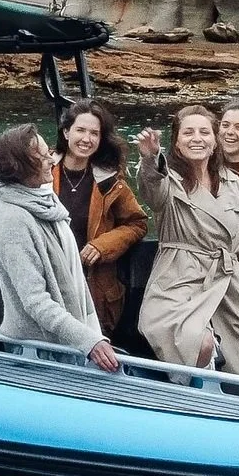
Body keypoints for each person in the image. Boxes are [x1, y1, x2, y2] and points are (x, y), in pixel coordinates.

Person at [134, 106, 239, 376]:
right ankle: (192, 398)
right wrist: (151, 159)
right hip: (179, 280)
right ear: (176, 142)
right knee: (196, 341)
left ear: (215, 141)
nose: (197, 138)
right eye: (188, 132)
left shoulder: (232, 182)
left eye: (204, 132)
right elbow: (152, 191)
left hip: (227, 280)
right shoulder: (169, 180)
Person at [0, 124, 121, 372]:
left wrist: (91, 333)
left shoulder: (44, 201)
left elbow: (74, 279)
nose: (51, 158)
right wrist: (88, 341)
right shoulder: (12, 220)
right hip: (40, 355)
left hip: (66, 345)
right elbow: (35, 301)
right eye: (42, 155)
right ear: (21, 166)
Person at [51, 99, 149, 336]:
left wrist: (102, 246)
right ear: (66, 132)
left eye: (94, 133)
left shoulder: (110, 181)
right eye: (80, 130)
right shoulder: (42, 172)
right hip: (51, 278)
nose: (87, 139)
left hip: (94, 286)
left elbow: (138, 223)